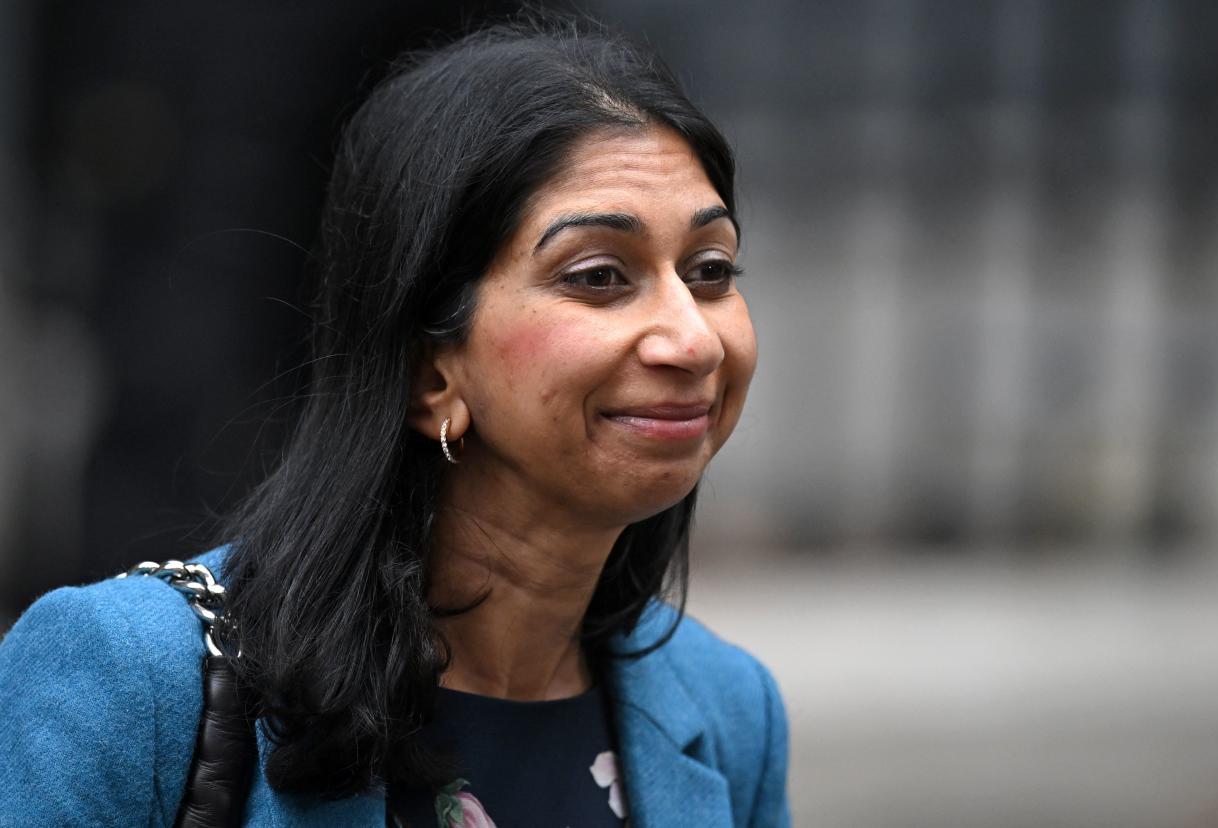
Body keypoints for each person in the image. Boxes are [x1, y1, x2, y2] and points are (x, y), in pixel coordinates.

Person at [0, 19, 789, 828]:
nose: (692, 338)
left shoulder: (729, 711)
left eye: (711, 270)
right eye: (598, 276)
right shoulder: (129, 679)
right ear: (428, 370)